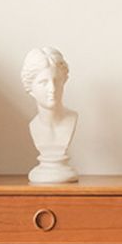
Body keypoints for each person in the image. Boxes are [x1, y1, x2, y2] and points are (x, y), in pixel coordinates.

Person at [21, 47, 78, 183]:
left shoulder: (72, 119)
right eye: (43, 83)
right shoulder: (34, 126)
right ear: (30, 88)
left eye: (57, 80)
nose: (52, 89)